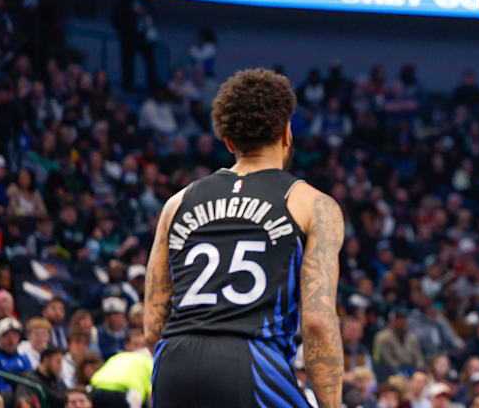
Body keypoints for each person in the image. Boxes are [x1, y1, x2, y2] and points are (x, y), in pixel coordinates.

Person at [144, 68, 345, 407]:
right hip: (250, 360)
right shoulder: (314, 205)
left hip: (173, 364)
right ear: (287, 133)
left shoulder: (177, 203)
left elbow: (152, 325)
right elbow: (317, 321)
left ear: (228, 141)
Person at [111, 0, 159, 92]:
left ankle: (153, 88)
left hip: (144, 37)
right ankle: (127, 86)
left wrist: (145, 13)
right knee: (128, 62)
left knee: (150, 62)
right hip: (128, 36)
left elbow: (154, 14)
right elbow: (117, 16)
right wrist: (132, 13)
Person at [0, 317, 32, 394]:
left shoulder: (23, 356)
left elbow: (31, 381)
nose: (11, 340)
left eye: (14, 335)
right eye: (6, 335)